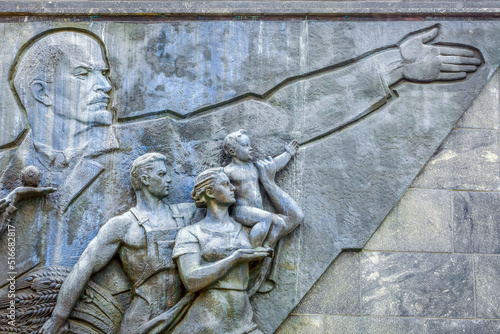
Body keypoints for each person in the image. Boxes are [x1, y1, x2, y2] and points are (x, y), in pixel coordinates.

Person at [0, 29, 119, 283]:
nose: (106, 87)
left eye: (104, 73)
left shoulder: (130, 162)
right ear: (42, 92)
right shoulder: (5, 169)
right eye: (84, 74)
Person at [39, 153, 197, 334]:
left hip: (185, 314)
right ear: (145, 179)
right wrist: (58, 318)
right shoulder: (123, 225)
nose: (169, 179)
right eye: (162, 174)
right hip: (143, 319)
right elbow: (84, 268)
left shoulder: (185, 214)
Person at [170, 167, 273, 334]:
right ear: (210, 192)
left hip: (243, 320)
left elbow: (292, 218)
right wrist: (234, 258)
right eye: (226, 184)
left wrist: (268, 180)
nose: (233, 188)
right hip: (207, 323)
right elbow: (190, 280)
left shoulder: (246, 230)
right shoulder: (190, 233)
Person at [223, 129, 301, 249]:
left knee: (279, 222)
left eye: (250, 145)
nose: (250, 148)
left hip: (257, 211)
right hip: (240, 210)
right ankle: (254, 248)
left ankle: (267, 246)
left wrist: (287, 154)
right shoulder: (228, 171)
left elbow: (273, 165)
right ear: (232, 151)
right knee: (266, 218)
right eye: (245, 145)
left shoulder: (255, 168)